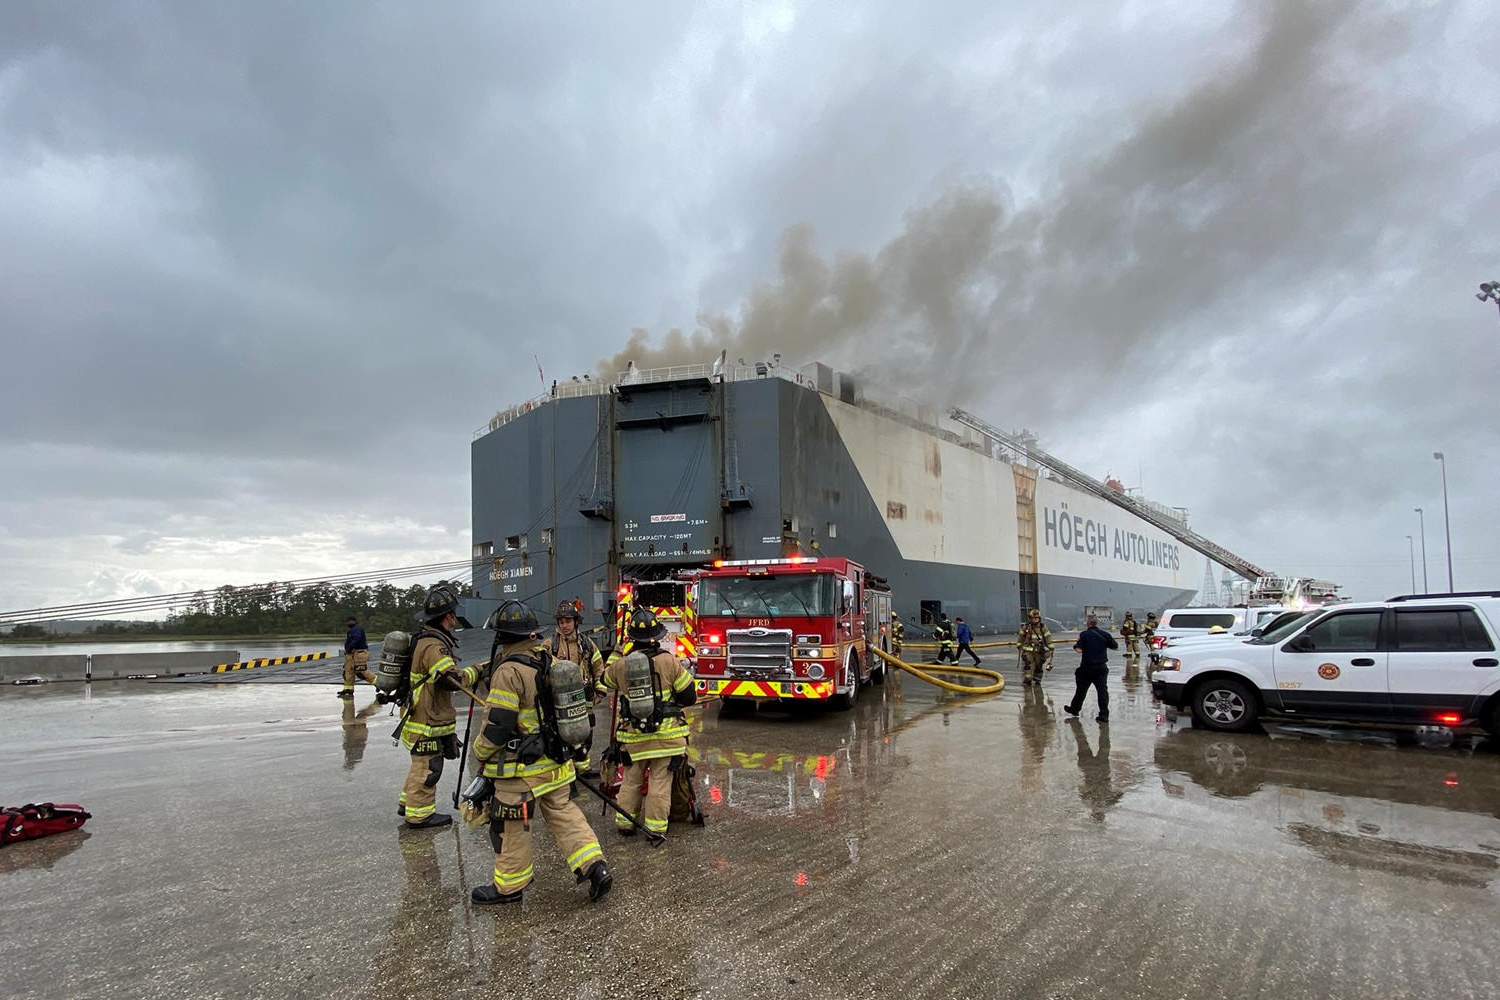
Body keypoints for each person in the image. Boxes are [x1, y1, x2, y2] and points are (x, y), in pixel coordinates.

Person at [468, 600, 611, 905]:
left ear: (502, 636)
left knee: (510, 826)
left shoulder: (509, 672)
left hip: (521, 772)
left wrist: (480, 753)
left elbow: (498, 725)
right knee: (567, 816)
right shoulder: (548, 661)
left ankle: (508, 887)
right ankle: (595, 866)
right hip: (556, 764)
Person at [599, 609, 697, 839]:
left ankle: (626, 823)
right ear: (658, 636)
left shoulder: (621, 665)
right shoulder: (669, 661)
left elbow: (604, 679)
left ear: (632, 638)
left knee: (631, 780)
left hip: (633, 738)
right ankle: (654, 828)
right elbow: (689, 697)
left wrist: (617, 652)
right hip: (667, 738)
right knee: (660, 783)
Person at [397, 584, 485, 829]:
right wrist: (476, 671)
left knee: (419, 764)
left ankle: (407, 803)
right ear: (447, 617)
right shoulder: (434, 646)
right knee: (428, 767)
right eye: (453, 615)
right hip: (426, 718)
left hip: (422, 714)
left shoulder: (425, 639)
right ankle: (419, 815)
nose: (455, 619)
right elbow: (451, 680)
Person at [550, 600, 605, 777]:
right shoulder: (549, 646)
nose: (565, 625)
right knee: (561, 734)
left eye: (568, 621)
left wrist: (600, 690)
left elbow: (598, 666)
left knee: (585, 732)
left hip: (584, 698)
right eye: (561, 622)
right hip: (560, 700)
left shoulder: (587, 644)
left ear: (575, 621)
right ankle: (566, 772)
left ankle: (583, 768)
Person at [1064, 613, 1118, 722]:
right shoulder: (1105, 634)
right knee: (1102, 691)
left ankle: (1075, 709)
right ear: (1096, 622)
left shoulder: (1084, 635)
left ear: (1087, 623)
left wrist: (1076, 646)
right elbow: (1115, 647)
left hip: (1087, 667)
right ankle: (1104, 715)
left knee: (1081, 690)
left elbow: (1079, 650)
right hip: (1101, 668)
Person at [339, 615, 376, 698]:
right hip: (351, 654)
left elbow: (357, 639)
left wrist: (349, 648)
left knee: (361, 672)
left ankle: (378, 683)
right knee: (348, 672)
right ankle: (348, 690)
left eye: (349, 621)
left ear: (353, 621)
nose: (347, 623)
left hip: (359, 653)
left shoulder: (357, 629)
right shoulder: (351, 630)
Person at [1017, 608, 1052, 686]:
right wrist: (1019, 645)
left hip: (1040, 651)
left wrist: (1050, 648)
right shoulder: (1026, 627)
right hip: (1028, 651)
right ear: (1030, 618)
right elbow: (1021, 637)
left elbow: (1048, 637)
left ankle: (1037, 680)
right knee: (1028, 665)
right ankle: (1028, 680)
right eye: (1034, 618)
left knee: (1038, 666)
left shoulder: (1043, 628)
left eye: (1037, 618)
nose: (1035, 619)